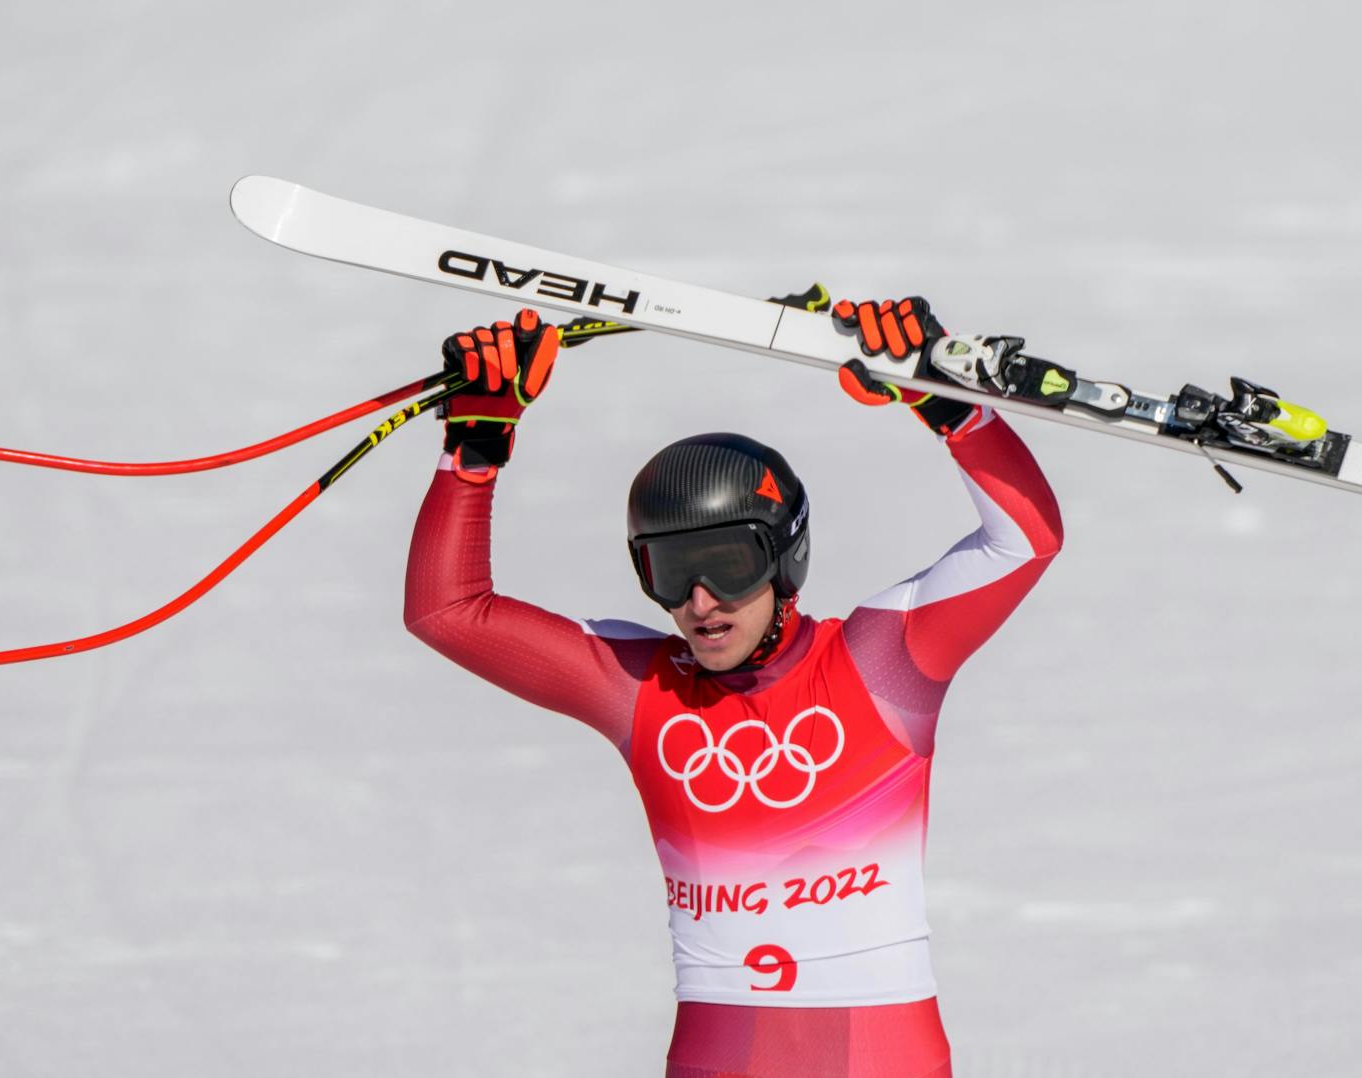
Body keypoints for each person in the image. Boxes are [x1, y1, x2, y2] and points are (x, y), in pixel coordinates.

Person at [404, 296, 1063, 1078]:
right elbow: (446, 612)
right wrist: (475, 448)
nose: (701, 601)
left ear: (786, 558)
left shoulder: (884, 661)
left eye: (729, 563)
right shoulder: (641, 688)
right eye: (671, 571)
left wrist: (944, 402)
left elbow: (1027, 539)